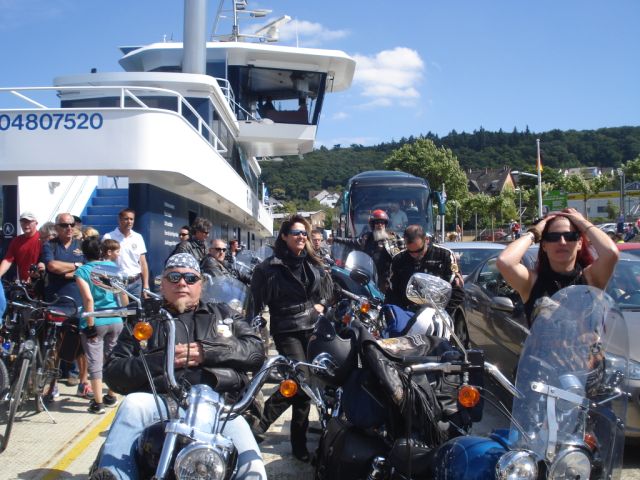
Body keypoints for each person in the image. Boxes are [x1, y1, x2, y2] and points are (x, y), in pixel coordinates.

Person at [92, 253, 267, 480]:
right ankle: (115, 475)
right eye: (174, 277)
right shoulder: (144, 319)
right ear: (162, 284)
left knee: (253, 467)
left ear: (200, 285)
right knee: (133, 405)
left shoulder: (224, 314)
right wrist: (163, 359)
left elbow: (255, 351)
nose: (182, 283)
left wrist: (207, 352)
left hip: (217, 407)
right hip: (160, 402)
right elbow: (114, 372)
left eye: (190, 278)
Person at [250, 215, 332, 462]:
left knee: (306, 385)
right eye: (296, 233)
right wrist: (253, 328)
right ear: (284, 236)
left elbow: (328, 290)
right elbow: (254, 303)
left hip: (312, 326)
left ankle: (297, 443)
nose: (301, 237)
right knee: (301, 380)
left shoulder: (312, 262)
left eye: (304, 233)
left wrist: (321, 304)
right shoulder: (268, 267)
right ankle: (262, 427)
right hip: (286, 328)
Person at [496, 208, 618, 325]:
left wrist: (582, 222)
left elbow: (611, 253)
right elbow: (505, 261)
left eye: (569, 236)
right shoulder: (532, 282)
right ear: (544, 245)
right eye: (553, 237)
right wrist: (534, 232)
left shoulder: (591, 278)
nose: (562, 242)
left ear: (579, 243)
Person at [41, 212, 91, 399]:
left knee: (81, 345)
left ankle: (83, 383)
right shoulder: (49, 245)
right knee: (55, 345)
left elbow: (87, 268)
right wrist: (76, 266)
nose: (69, 228)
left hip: (79, 301)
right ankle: (52, 385)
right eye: (64, 225)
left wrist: (68, 270)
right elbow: (52, 266)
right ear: (57, 227)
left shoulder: (82, 246)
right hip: (55, 301)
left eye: (72, 224)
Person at [74, 237, 123, 414]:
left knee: (95, 363)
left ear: (84, 253)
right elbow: (122, 294)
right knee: (112, 358)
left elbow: (88, 299)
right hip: (116, 318)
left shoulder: (82, 271)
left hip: (96, 319)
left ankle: (98, 403)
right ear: (101, 251)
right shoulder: (112, 267)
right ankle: (111, 395)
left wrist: (90, 326)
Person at [387, 225, 464, 314]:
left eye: (419, 250)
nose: (415, 255)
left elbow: (457, 289)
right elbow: (392, 291)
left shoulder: (444, 255)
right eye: (410, 252)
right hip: (407, 313)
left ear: (426, 240)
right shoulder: (398, 259)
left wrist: (444, 312)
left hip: (440, 312)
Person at [333, 209, 401, 294]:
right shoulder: (367, 238)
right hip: (368, 276)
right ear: (372, 224)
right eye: (377, 222)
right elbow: (352, 242)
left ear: (385, 224)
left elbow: (402, 256)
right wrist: (335, 239)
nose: (380, 225)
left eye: (382, 222)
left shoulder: (393, 239)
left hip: (386, 279)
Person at [103, 208, 149, 298]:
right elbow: (104, 261)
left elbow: (143, 263)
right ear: (119, 220)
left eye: (131, 219)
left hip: (136, 283)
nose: (129, 222)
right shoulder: (108, 237)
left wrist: (146, 285)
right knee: (119, 307)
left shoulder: (138, 237)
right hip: (116, 283)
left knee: (135, 307)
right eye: (126, 219)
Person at [0, 211, 41, 282]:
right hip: (24, 283)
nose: (26, 224)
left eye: (29, 222)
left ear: (36, 223)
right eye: (23, 222)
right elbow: (7, 260)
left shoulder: (42, 238)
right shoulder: (16, 241)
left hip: (41, 282)